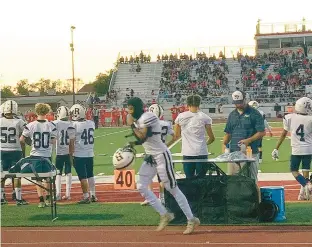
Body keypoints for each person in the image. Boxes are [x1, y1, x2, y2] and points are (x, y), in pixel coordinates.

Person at [127, 97, 200, 235]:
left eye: (131, 108)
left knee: (172, 188)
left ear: (137, 107)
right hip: (151, 156)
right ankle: (164, 214)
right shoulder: (141, 119)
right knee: (141, 186)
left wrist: (132, 125)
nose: (129, 111)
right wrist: (133, 144)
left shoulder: (148, 116)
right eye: (128, 108)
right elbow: (145, 140)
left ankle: (191, 219)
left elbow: (143, 137)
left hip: (161, 156)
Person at [272, 97, 312, 200]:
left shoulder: (289, 117)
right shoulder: (310, 119)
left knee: (294, 170)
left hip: (296, 149)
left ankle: (306, 186)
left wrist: (276, 148)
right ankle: (303, 194)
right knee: (306, 170)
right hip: (308, 149)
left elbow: (283, 134)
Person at [168, 95, 215, 178]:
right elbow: (212, 138)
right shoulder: (206, 117)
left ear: (187, 104)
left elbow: (176, 136)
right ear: (199, 104)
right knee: (201, 180)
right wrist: (204, 144)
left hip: (188, 153)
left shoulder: (180, 117)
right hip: (202, 152)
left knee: (189, 180)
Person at [223, 91, 265, 183]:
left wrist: (249, 140)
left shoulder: (255, 113)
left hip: (249, 152)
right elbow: (228, 133)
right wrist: (224, 144)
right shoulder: (232, 115)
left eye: (240, 102)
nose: (238, 105)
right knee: (232, 180)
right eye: (236, 103)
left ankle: (254, 198)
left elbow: (261, 132)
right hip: (233, 153)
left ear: (245, 100)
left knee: (250, 181)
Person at [20, 103, 57, 208]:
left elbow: (22, 139)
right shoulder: (51, 125)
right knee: (48, 178)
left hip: (35, 155)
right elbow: (53, 141)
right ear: (47, 112)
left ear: (37, 111)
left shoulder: (30, 125)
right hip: (46, 154)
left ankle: (41, 201)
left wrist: (31, 143)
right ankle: (48, 199)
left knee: (38, 178)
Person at [141, 103, 174, 206]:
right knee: (162, 177)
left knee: (148, 176)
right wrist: (167, 145)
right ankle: (162, 197)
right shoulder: (166, 124)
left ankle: (151, 198)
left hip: (151, 152)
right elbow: (175, 135)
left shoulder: (148, 124)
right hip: (162, 152)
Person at [0, 100, 28, 206]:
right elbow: (27, 132)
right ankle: (18, 198)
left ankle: (1, 197)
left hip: (2, 150)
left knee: (2, 175)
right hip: (15, 150)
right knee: (17, 175)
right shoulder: (19, 121)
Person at [70, 104, 97, 204]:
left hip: (79, 154)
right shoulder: (91, 123)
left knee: (82, 177)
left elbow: (72, 142)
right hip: (90, 153)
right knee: (90, 175)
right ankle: (93, 195)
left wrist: (71, 154)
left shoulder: (73, 125)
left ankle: (86, 197)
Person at [53, 106, 75, 201]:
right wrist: (71, 154)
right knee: (68, 172)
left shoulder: (55, 123)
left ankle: (58, 193)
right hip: (67, 152)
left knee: (58, 173)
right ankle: (68, 194)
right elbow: (72, 141)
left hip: (59, 152)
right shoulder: (71, 124)